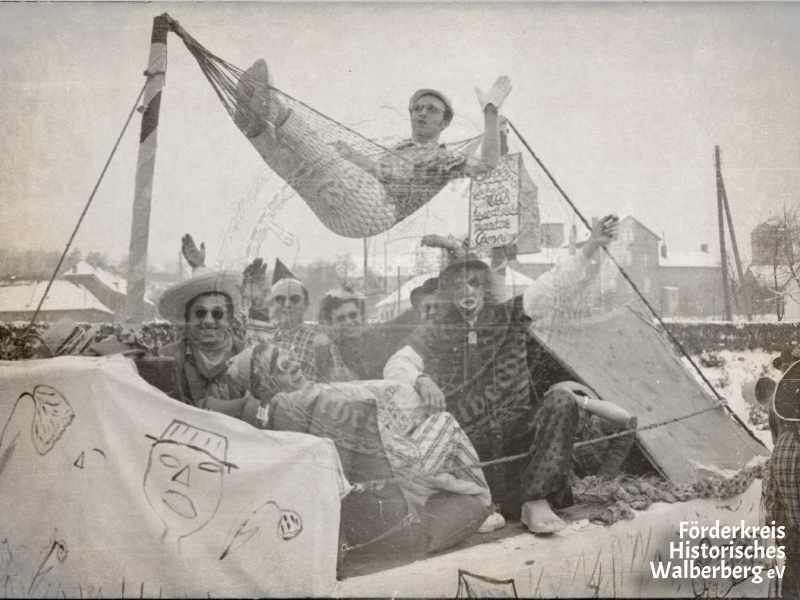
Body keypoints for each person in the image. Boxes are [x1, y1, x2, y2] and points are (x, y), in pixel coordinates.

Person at [383, 215, 624, 534]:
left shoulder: (509, 314)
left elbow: (553, 285)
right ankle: (488, 505)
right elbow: (397, 363)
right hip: (470, 442)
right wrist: (420, 378)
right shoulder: (436, 331)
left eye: (473, 283)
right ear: (448, 292)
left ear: (485, 287)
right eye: (457, 285)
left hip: (516, 431)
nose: (466, 291)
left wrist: (590, 247)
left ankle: (534, 500)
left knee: (562, 402)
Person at [232, 59, 512, 238]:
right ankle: (255, 129)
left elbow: (487, 164)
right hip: (340, 218)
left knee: (323, 156)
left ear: (445, 121)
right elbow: (382, 170)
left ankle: (272, 105)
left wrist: (490, 114)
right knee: (297, 171)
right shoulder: (402, 147)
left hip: (377, 210)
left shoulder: (443, 157)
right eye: (417, 108)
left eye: (431, 110)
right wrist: (353, 160)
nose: (422, 113)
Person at [158, 266, 247, 408]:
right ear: (188, 318)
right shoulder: (168, 357)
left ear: (230, 320)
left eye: (217, 314)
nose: (208, 321)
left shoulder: (247, 355)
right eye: (200, 313)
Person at [267, 259, 351, 382]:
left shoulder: (320, 342)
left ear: (306, 305)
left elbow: (338, 387)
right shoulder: (262, 338)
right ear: (272, 304)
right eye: (280, 299)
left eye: (295, 299)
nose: (287, 304)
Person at [318, 285, 380, 380]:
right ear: (331, 323)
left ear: (362, 316)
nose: (348, 322)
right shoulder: (331, 354)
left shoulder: (376, 342)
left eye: (353, 315)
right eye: (341, 319)